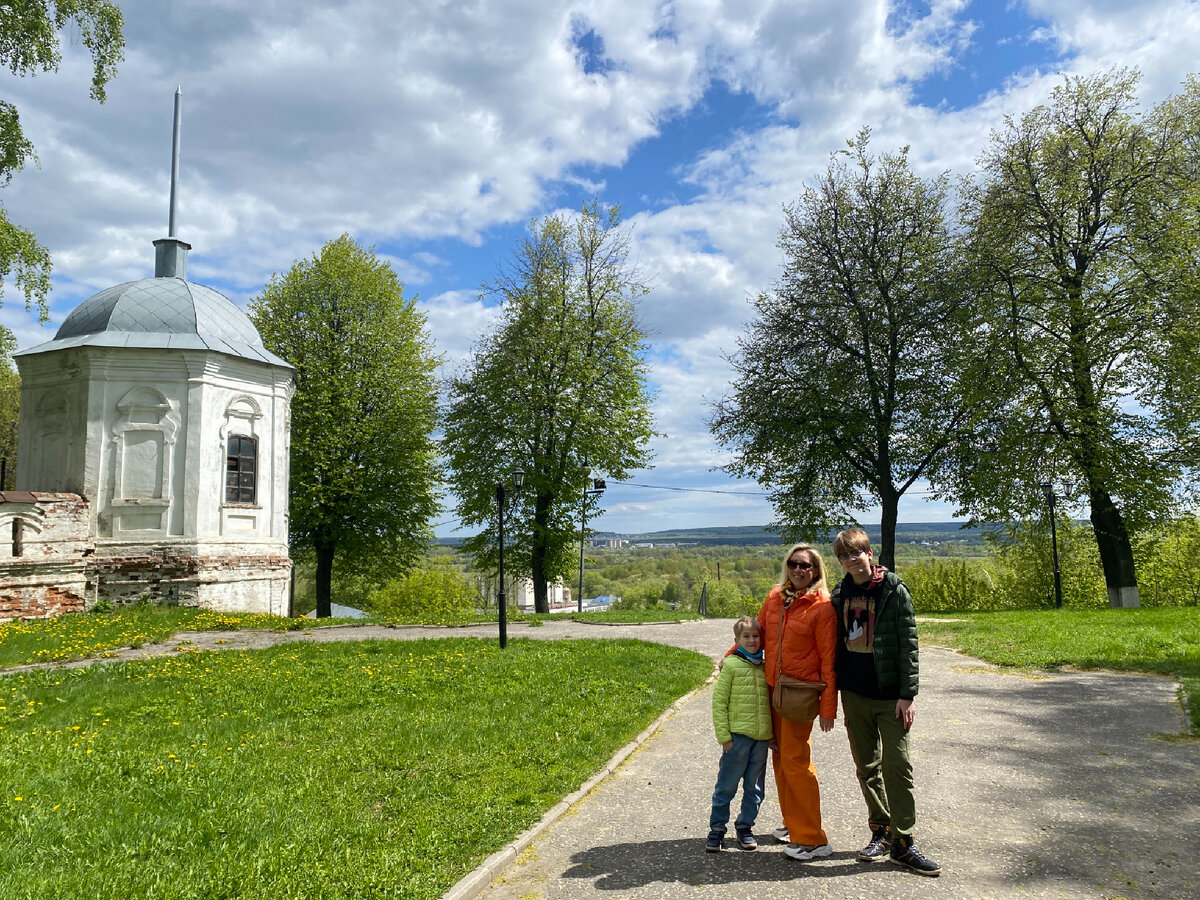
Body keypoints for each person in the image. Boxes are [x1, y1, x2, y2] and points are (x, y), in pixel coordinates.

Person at [831, 527, 942, 877]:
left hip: (890, 696)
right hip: (853, 694)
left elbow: (908, 644)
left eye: (856, 553)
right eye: (844, 556)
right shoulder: (840, 594)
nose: (852, 560)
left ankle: (904, 843)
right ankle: (881, 831)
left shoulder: (893, 590)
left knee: (898, 765)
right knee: (867, 766)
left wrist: (908, 695)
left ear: (869, 553)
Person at [757, 542, 839, 861]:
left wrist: (828, 708)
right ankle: (793, 824)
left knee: (796, 760)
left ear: (816, 570)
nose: (799, 570)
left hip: (799, 693)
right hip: (772, 688)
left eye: (806, 565)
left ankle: (813, 839)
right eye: (793, 564)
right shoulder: (775, 597)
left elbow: (829, 660)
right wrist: (732, 654)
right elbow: (758, 634)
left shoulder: (822, 606)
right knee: (780, 757)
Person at [707, 616, 773, 852]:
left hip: (761, 739)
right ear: (737, 640)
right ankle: (717, 829)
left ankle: (745, 827)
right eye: (746, 636)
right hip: (737, 739)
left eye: (756, 636)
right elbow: (719, 702)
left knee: (754, 788)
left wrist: (771, 736)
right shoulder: (731, 665)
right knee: (726, 785)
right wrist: (724, 736)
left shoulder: (767, 666)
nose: (752, 640)